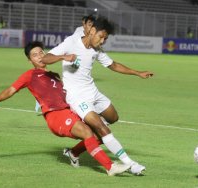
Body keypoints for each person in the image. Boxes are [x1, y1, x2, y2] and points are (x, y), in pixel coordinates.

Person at [0, 41, 130, 176]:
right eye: (34, 55)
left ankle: (73, 153)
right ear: (30, 60)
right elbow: (11, 90)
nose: (39, 56)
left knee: (100, 134)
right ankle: (110, 167)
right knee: (86, 132)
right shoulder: (30, 75)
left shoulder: (55, 75)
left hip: (70, 111)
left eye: (41, 53)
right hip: (56, 115)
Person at [41, 17, 154, 175]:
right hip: (76, 96)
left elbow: (113, 65)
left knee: (113, 117)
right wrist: (63, 57)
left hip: (92, 91)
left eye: (105, 39)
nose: (102, 41)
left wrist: (137, 73)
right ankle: (131, 164)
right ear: (92, 31)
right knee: (102, 128)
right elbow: (45, 58)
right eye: (101, 37)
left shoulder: (96, 50)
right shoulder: (71, 43)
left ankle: (74, 152)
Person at [34, 14, 96, 112]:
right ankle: (44, 103)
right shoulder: (78, 32)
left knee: (62, 84)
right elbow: (73, 44)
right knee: (59, 81)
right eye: (88, 23)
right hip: (70, 58)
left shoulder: (91, 33)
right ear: (83, 23)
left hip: (74, 60)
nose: (89, 26)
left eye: (92, 24)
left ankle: (63, 105)